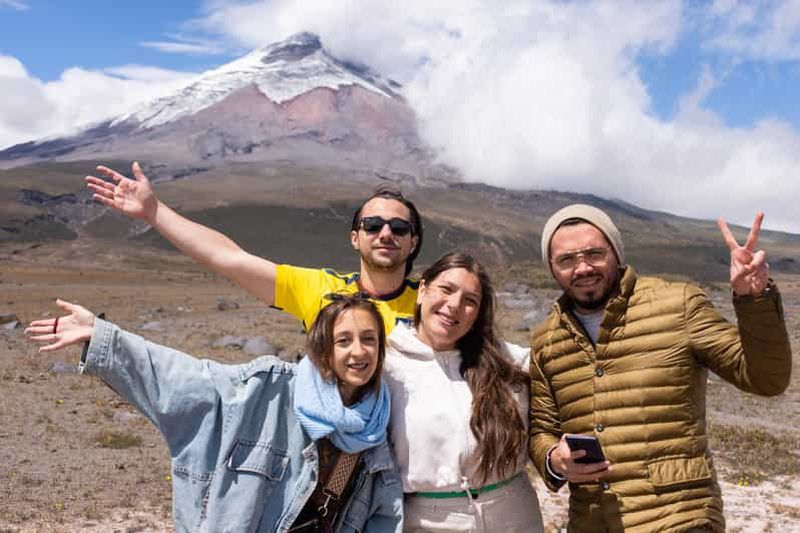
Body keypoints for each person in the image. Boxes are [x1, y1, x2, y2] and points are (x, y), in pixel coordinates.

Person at [26, 296, 403, 532]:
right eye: (344, 340)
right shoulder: (267, 390)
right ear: (323, 348)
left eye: (369, 339)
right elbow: (184, 378)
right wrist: (104, 337)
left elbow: (382, 516)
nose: (359, 352)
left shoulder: (375, 423)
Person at [528, 205, 792, 532]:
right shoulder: (547, 340)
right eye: (566, 260)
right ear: (551, 267)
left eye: (594, 253)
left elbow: (766, 379)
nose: (582, 268)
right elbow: (542, 429)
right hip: (593, 521)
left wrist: (755, 301)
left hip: (680, 517)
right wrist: (554, 459)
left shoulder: (678, 305)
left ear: (616, 252)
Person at [86, 162, 423, 333]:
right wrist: (154, 212)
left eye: (399, 227)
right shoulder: (321, 290)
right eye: (373, 225)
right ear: (355, 237)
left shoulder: (434, 303)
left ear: (413, 242)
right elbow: (228, 257)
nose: (385, 234)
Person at [384, 252, 544, 533]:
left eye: (470, 300)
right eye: (446, 289)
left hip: (515, 514)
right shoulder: (386, 364)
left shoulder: (506, 360)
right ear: (422, 290)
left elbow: (565, 370)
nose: (454, 305)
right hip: (428, 521)